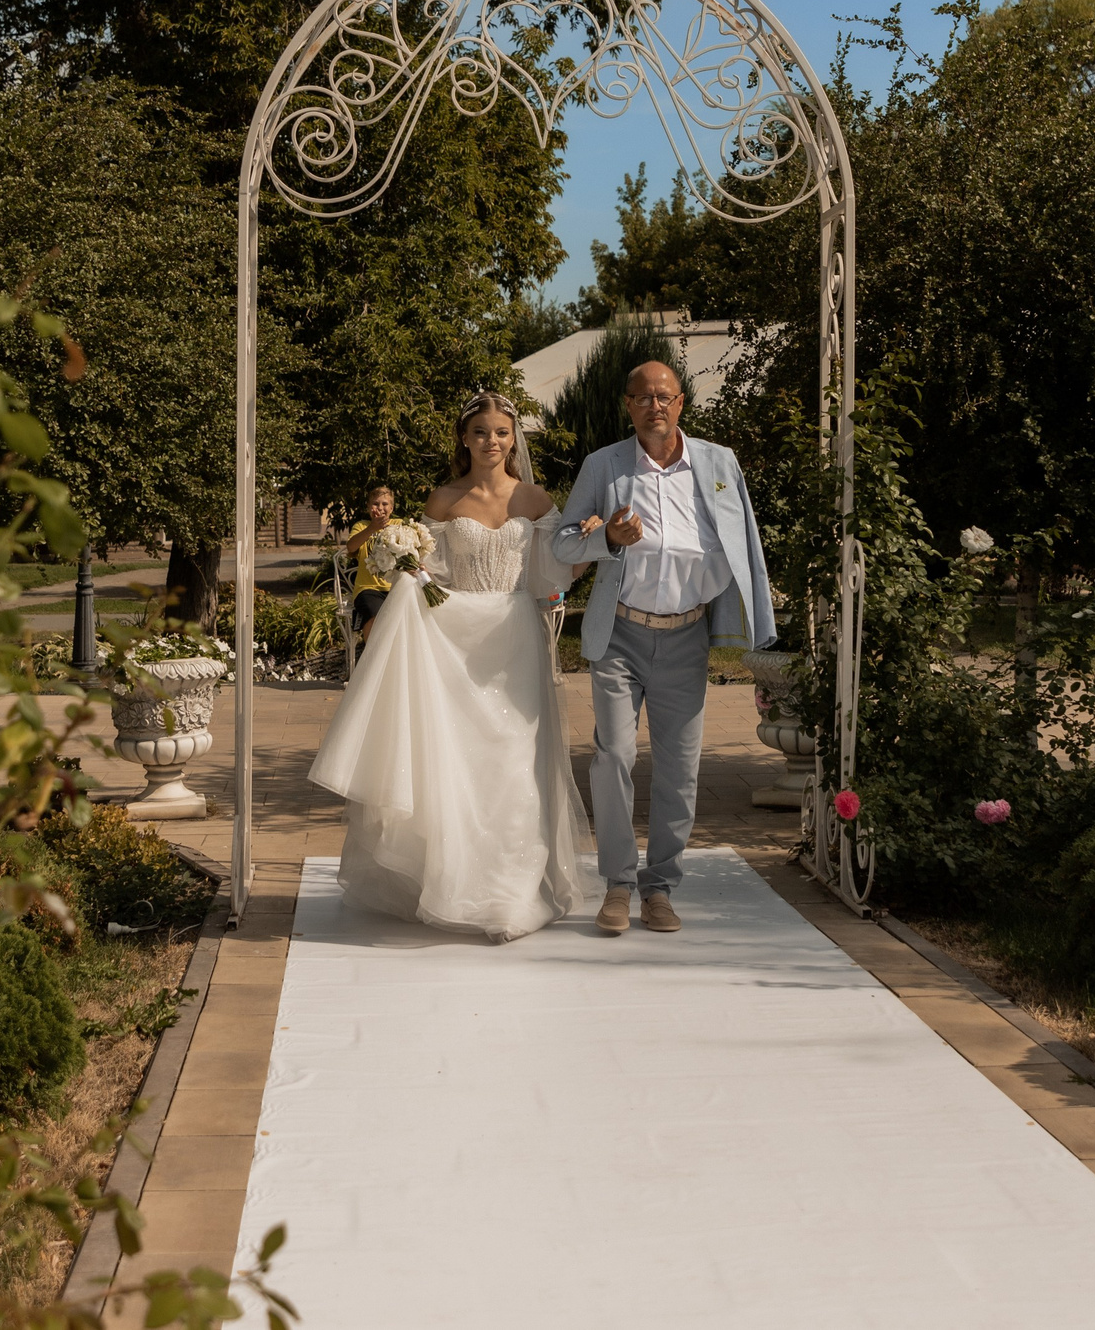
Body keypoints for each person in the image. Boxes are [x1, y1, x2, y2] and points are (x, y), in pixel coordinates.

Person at [308, 393, 592, 940]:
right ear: (465, 438)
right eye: (482, 432)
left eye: (503, 433)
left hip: (513, 637)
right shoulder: (442, 500)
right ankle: (462, 884)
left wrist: (598, 541)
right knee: (463, 762)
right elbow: (428, 574)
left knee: (517, 760)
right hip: (454, 638)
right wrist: (405, 564)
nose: (493, 442)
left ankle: (514, 893)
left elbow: (554, 570)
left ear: (514, 439)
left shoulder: (535, 499)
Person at [551, 359, 774, 935]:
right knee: (615, 756)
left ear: (681, 404)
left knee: (679, 768)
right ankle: (619, 884)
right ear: (628, 405)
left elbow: (742, 535)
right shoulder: (604, 465)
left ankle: (661, 887)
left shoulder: (719, 462)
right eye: (644, 398)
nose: (656, 406)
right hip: (620, 634)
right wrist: (606, 537)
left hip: (687, 635)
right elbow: (562, 541)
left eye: (666, 397)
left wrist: (752, 612)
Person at [344, 484, 397, 640]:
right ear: (368, 508)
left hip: (396, 587)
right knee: (375, 614)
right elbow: (351, 547)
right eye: (375, 503)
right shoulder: (361, 526)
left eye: (385, 504)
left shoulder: (399, 525)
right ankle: (371, 658)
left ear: (391, 508)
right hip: (369, 588)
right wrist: (372, 529)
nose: (380, 507)